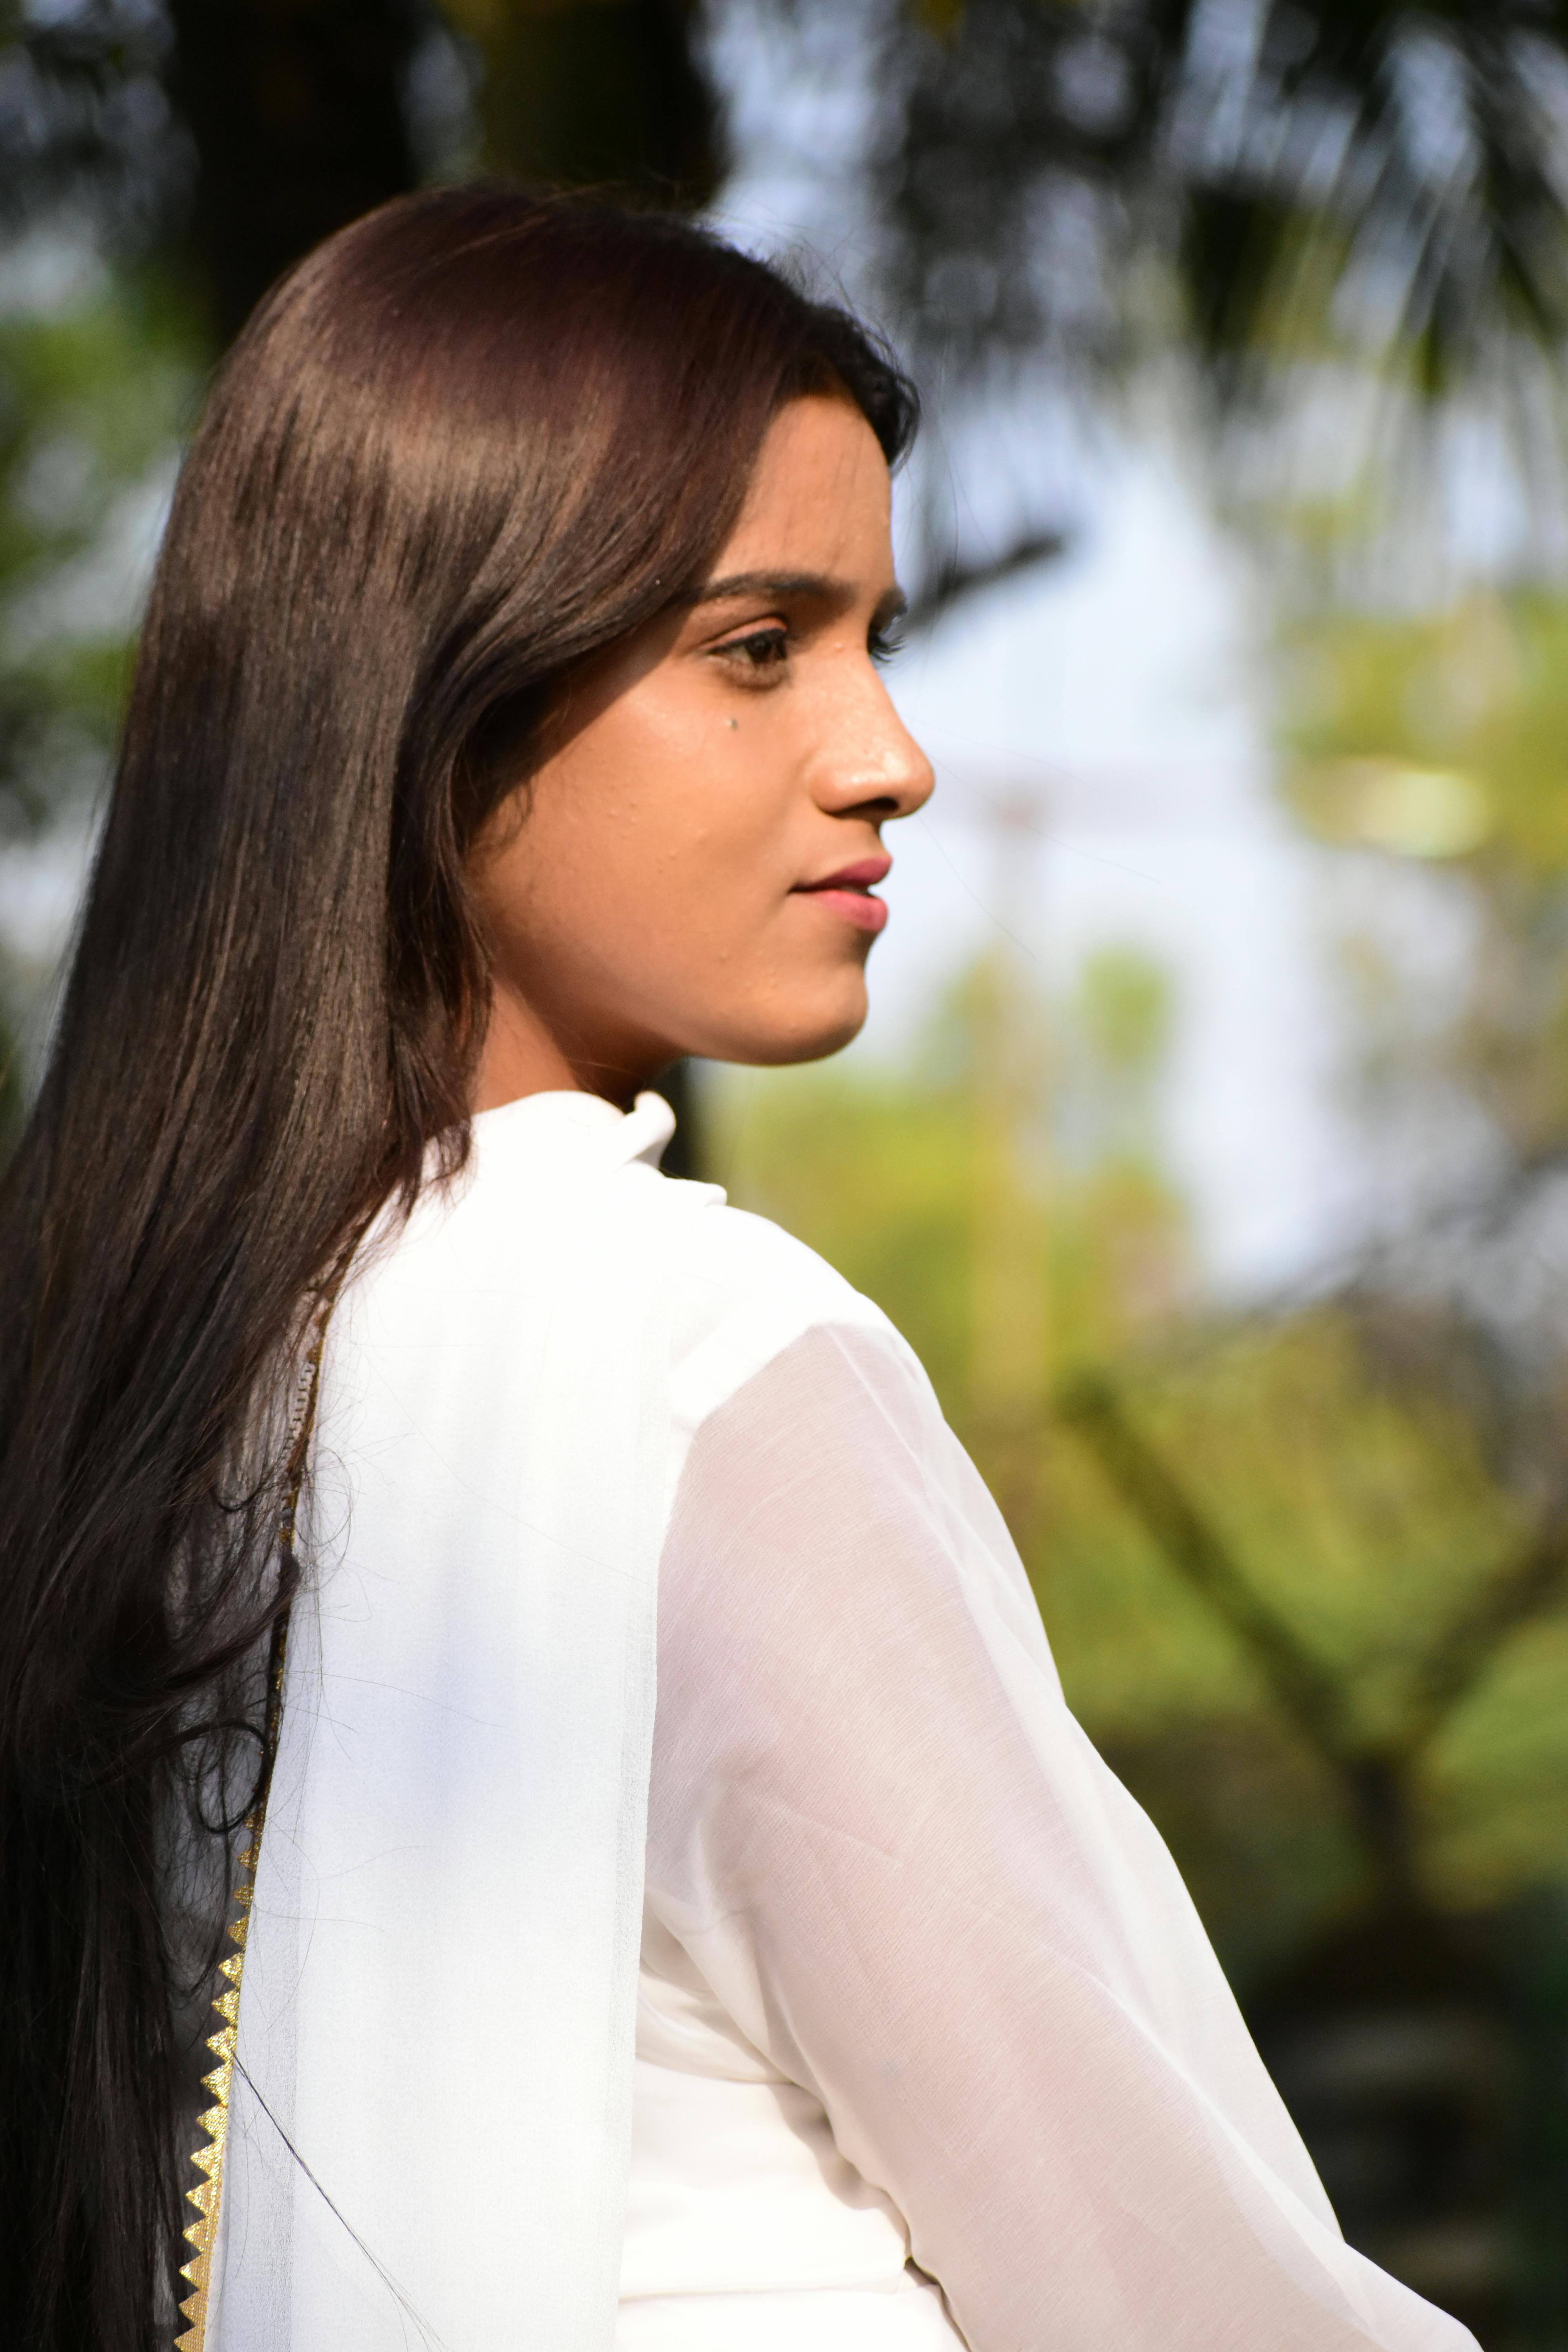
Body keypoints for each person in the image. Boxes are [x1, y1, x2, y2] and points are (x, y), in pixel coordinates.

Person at [0, 187, 1477, 2352]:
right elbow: (1151, 2287)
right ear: (437, 689)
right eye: (758, 647)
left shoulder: (148, 1396)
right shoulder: (688, 1362)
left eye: (876, 638)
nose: (891, 754)